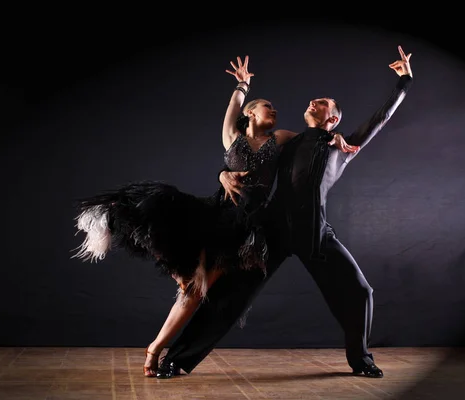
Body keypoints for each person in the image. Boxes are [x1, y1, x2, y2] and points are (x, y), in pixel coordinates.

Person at [72, 55, 359, 377]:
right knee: (168, 244)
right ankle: (167, 315)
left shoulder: (280, 140)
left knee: (195, 293)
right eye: (268, 107)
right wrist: (242, 85)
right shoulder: (232, 138)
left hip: (244, 227)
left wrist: (335, 137)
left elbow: (313, 139)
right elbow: (233, 109)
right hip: (213, 215)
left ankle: (155, 348)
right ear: (251, 113)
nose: (275, 111)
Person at [155, 45, 414, 379]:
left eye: (322, 103)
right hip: (270, 232)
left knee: (360, 290)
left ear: (333, 118)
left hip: (314, 234)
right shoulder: (285, 142)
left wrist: (404, 82)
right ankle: (177, 360)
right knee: (228, 296)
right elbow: (242, 155)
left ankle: (361, 359)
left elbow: (380, 119)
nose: (313, 102)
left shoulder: (343, 148)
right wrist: (223, 173)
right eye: (313, 100)